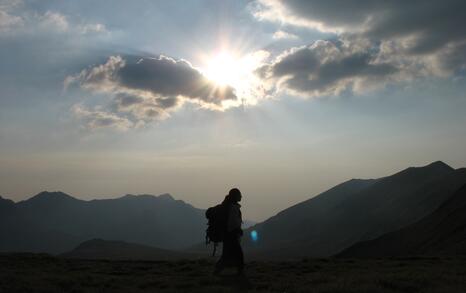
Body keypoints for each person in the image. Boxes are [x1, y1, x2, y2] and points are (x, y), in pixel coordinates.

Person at [214, 188, 244, 275]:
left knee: (226, 255)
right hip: (231, 235)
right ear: (235, 196)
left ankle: (217, 271)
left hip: (227, 234)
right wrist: (237, 230)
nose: (241, 196)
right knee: (238, 254)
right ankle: (240, 273)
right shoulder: (233, 207)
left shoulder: (228, 206)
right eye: (239, 195)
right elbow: (232, 223)